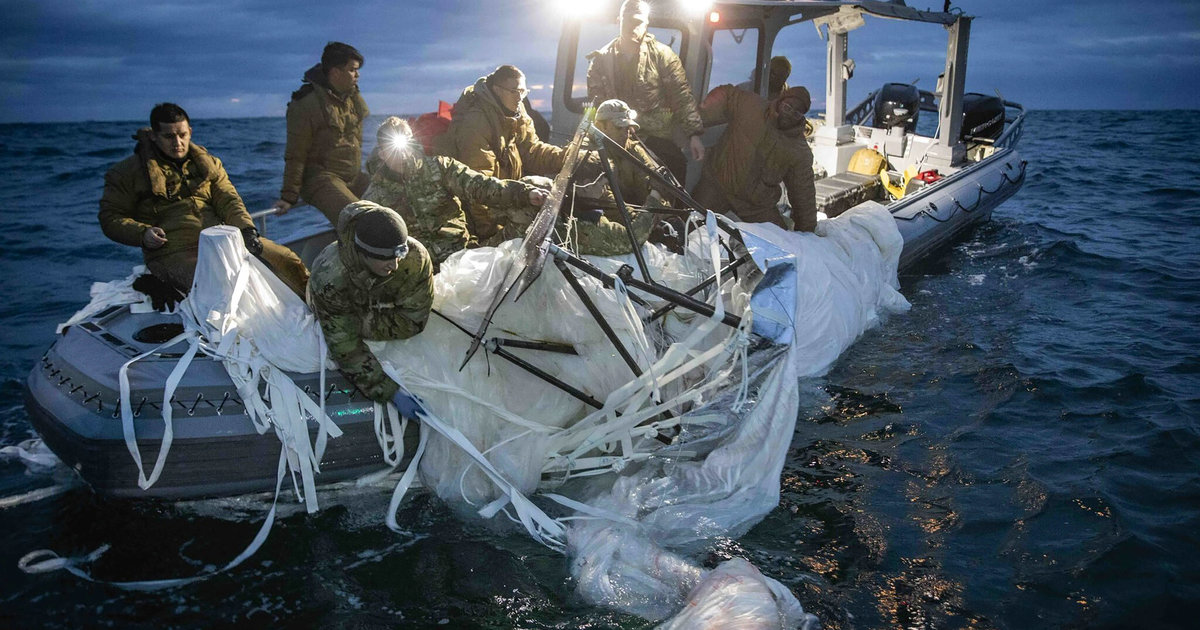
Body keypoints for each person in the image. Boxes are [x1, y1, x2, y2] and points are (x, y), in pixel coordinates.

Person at [99, 103, 309, 297]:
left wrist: (247, 231)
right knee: (219, 284)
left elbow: (229, 199)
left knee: (288, 260)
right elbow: (110, 218)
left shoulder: (209, 164)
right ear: (154, 136)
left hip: (222, 240)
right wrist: (143, 233)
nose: (177, 143)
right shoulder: (126, 172)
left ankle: (318, 313)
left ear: (190, 132)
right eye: (169, 136)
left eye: (182, 135)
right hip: (171, 251)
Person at [364, 117, 549, 267]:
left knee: (528, 210)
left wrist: (525, 193)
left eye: (405, 148)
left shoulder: (440, 167)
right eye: (392, 150)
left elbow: (482, 186)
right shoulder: (375, 197)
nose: (402, 156)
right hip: (419, 272)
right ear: (381, 153)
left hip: (463, 256)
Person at [307, 201, 434, 406]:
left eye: (398, 254)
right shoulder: (329, 276)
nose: (394, 265)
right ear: (363, 254)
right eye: (385, 259)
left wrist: (364, 320)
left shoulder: (414, 257)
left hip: (365, 311)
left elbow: (413, 321)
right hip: (337, 306)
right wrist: (388, 392)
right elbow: (345, 345)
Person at [435, 65, 565, 242]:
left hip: (505, 197)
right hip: (481, 214)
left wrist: (567, 157)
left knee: (550, 191)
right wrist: (491, 237)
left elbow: (532, 151)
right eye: (514, 91)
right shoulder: (476, 123)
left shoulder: (516, 113)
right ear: (497, 90)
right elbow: (478, 188)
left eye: (523, 91)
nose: (519, 97)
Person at [586, 0, 704, 184]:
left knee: (674, 170)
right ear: (619, 21)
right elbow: (596, 104)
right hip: (616, 136)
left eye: (639, 22)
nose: (633, 27)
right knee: (596, 173)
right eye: (628, 21)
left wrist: (694, 134)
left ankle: (675, 213)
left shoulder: (663, 56)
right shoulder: (601, 61)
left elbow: (681, 95)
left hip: (654, 136)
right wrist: (595, 134)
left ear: (647, 24)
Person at [692, 84, 818, 231]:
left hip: (755, 205)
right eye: (787, 107)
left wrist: (807, 231)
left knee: (781, 243)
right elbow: (727, 93)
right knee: (687, 222)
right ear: (780, 102)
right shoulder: (751, 105)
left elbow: (804, 193)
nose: (789, 115)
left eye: (797, 113)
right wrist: (699, 116)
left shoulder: (799, 150)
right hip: (718, 184)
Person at [273, 42, 370, 224]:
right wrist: (289, 196)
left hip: (353, 177)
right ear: (335, 72)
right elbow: (296, 153)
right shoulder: (306, 104)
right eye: (352, 70)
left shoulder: (351, 99)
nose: (358, 75)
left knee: (395, 202)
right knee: (360, 219)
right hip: (321, 179)